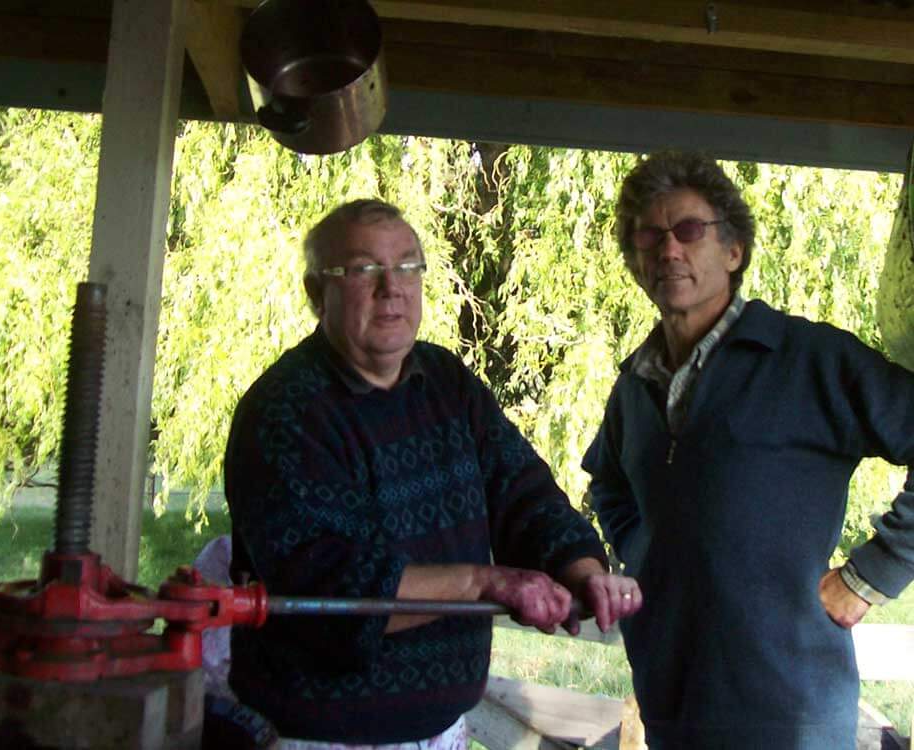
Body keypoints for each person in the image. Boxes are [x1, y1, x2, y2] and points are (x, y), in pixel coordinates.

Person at [223, 199, 641, 748]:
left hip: (444, 730)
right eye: (363, 269)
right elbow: (330, 590)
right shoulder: (286, 411)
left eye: (407, 266)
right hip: (319, 736)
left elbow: (522, 492)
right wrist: (483, 582)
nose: (391, 288)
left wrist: (582, 571)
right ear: (316, 293)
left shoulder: (446, 380)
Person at [583, 151, 914, 749]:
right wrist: (645, 553)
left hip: (792, 716)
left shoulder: (808, 360)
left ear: (733, 251)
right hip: (673, 708)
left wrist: (875, 572)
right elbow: (607, 482)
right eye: (650, 236)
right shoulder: (634, 384)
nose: (668, 249)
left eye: (689, 230)